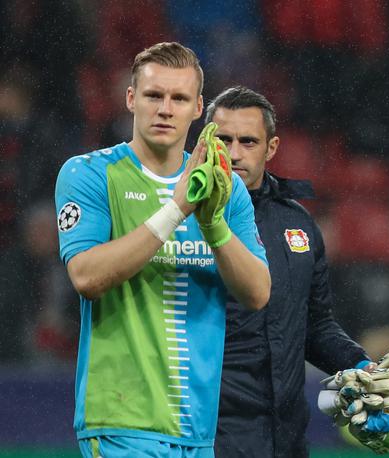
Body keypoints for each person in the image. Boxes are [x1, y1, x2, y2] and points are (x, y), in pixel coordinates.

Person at [54, 43, 270, 457]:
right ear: (132, 99)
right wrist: (177, 208)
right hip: (122, 422)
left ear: (197, 108)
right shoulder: (89, 174)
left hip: (197, 428)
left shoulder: (227, 190)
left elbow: (258, 292)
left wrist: (212, 224)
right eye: (154, 96)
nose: (166, 109)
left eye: (179, 98)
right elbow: (87, 277)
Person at [205, 86, 372, 457]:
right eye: (224, 140)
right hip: (209, 432)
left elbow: (314, 324)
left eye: (248, 141)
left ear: (272, 147)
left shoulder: (297, 222)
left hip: (286, 433)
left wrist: (363, 366)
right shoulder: (185, 220)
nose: (233, 154)